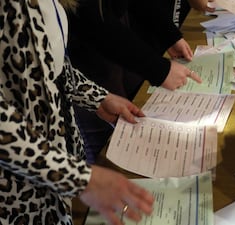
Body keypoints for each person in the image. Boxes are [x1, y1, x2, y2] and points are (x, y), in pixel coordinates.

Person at [0, 0, 154, 224]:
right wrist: (76, 178)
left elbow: (49, 65)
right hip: (18, 188)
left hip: (54, 168)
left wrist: (98, 98)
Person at [67, 0, 207, 164]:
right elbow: (91, 19)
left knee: (126, 114)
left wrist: (169, 35)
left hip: (98, 60)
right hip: (86, 57)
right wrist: (159, 70)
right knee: (104, 144)